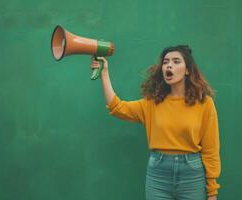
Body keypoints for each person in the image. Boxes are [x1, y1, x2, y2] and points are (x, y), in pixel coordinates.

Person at [91, 45, 221, 200]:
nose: (169, 65)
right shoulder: (152, 103)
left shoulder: (204, 103)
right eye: (166, 62)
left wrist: (212, 191)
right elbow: (116, 107)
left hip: (192, 174)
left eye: (176, 61)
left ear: (187, 70)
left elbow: (211, 150)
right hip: (158, 174)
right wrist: (104, 73)